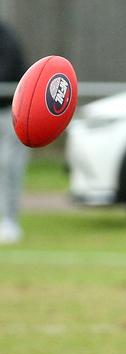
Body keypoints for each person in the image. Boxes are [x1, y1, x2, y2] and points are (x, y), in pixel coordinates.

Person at [0, 21, 28, 244]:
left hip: (10, 113)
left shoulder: (5, 36)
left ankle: (9, 221)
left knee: (9, 166)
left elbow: (8, 72)